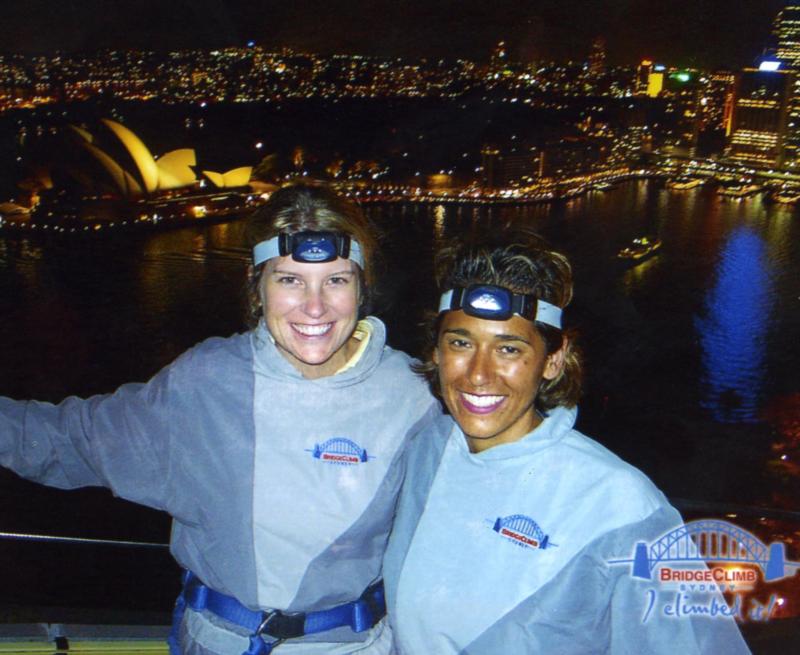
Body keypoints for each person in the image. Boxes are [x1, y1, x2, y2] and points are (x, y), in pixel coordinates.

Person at [0, 182, 438, 655]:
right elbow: (69, 439)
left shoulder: (413, 396)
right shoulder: (207, 380)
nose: (315, 306)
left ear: (361, 287)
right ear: (258, 287)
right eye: (289, 280)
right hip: (216, 641)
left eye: (337, 280)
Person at [382, 232, 751, 654]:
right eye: (461, 343)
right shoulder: (426, 449)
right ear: (436, 352)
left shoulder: (621, 504)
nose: (478, 374)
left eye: (509, 348)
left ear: (553, 361)